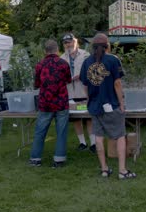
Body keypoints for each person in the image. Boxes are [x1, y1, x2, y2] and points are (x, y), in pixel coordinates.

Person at [80, 33, 136, 180]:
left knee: (98, 137)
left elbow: (84, 84)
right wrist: (122, 104)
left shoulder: (87, 62)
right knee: (120, 137)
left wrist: (88, 100)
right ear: (107, 45)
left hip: (95, 106)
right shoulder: (113, 60)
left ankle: (105, 169)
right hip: (112, 104)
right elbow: (117, 84)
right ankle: (122, 171)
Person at [29, 40, 71, 168]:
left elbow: (36, 84)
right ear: (57, 50)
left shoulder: (39, 65)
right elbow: (68, 80)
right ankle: (59, 159)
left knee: (40, 132)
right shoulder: (64, 64)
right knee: (61, 131)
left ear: (45, 51)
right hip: (61, 102)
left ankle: (35, 159)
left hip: (45, 103)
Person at [60, 33, 95, 153]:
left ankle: (94, 143)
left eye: (70, 42)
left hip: (85, 91)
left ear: (75, 42)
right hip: (69, 93)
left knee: (89, 117)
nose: (68, 45)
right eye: (65, 43)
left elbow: (92, 71)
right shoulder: (61, 58)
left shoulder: (86, 55)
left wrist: (81, 75)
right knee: (75, 118)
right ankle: (82, 143)